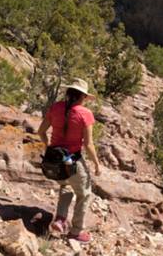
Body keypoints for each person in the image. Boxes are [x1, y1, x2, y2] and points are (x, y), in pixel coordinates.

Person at [37, 78, 102, 243]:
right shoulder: (85, 114)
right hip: (72, 160)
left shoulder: (56, 107)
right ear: (83, 97)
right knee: (85, 193)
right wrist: (96, 163)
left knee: (65, 185)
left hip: (55, 160)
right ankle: (76, 231)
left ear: (68, 93)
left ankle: (60, 219)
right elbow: (88, 144)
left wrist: (49, 148)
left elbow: (41, 131)